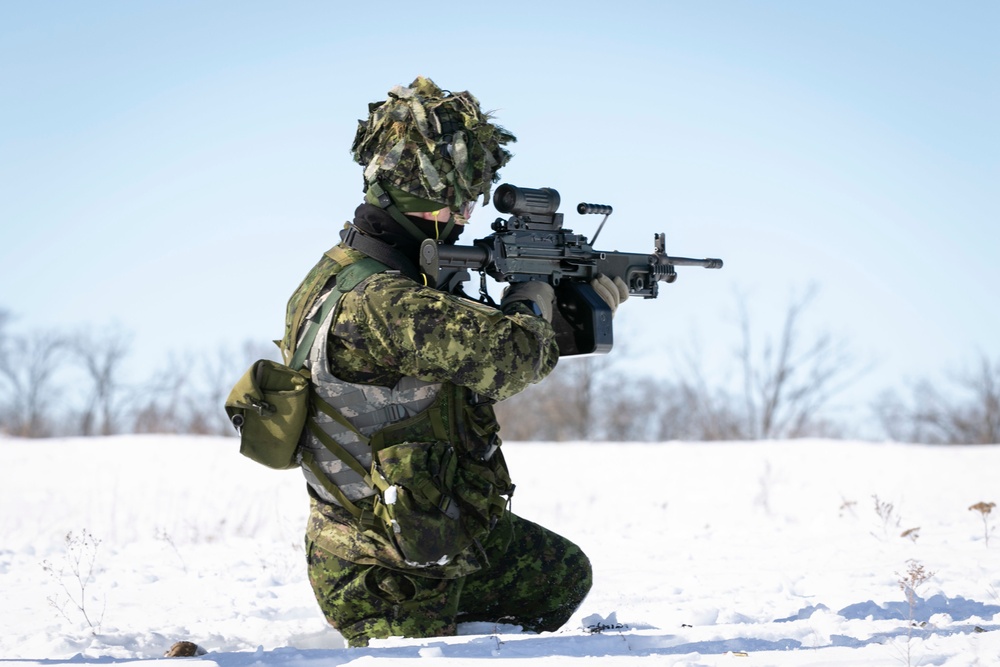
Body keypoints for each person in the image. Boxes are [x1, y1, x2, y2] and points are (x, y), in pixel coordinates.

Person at [278, 77, 629, 647]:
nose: (468, 216)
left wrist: (557, 303)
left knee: (559, 576)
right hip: (387, 571)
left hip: (419, 531)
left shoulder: (340, 274)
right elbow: (511, 360)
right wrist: (533, 298)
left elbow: (461, 362)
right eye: (460, 202)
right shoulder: (386, 303)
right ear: (425, 197)